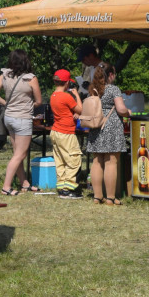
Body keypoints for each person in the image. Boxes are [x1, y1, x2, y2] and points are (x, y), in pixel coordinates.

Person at [0, 49, 42, 196]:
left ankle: (24, 183)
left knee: (17, 152)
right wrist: (28, 105)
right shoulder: (31, 79)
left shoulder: (4, 75)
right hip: (23, 119)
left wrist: (6, 103)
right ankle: (6, 186)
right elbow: (38, 101)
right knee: (20, 154)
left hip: (9, 118)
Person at [84, 62, 131, 206]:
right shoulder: (114, 89)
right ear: (110, 75)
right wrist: (129, 112)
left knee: (97, 161)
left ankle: (97, 197)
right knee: (111, 161)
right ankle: (110, 198)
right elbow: (121, 109)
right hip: (110, 126)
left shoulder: (92, 90)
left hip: (96, 126)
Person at [49, 69, 83, 199]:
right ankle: (69, 190)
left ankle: (62, 188)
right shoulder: (66, 96)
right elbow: (80, 109)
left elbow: (67, 111)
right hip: (66, 132)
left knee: (61, 160)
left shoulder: (54, 96)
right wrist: (77, 95)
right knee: (73, 160)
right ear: (67, 83)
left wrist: (74, 113)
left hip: (56, 131)